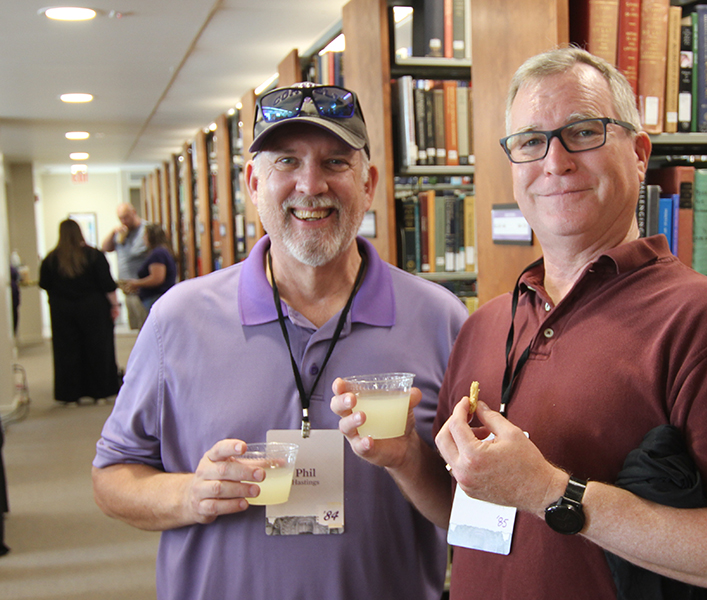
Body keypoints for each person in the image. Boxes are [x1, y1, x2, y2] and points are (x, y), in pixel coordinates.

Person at [332, 47, 707, 599]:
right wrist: (407, 459)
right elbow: (470, 515)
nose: (555, 162)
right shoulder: (485, 325)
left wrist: (553, 493)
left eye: (583, 132)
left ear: (640, 154)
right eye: (531, 141)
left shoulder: (706, 321)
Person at [91, 82, 469, 600]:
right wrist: (189, 495)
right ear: (252, 183)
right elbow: (112, 477)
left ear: (369, 183)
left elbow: (476, 511)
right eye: (286, 162)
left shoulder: (441, 319)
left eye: (336, 162)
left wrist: (408, 459)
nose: (310, 185)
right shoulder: (177, 319)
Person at [39, 219, 121, 405]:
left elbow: (44, 284)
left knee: (66, 351)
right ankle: (100, 392)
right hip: (94, 309)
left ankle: (70, 394)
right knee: (98, 348)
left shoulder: (51, 258)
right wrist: (115, 306)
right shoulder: (93, 255)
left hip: (62, 311)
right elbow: (107, 284)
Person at [101, 203, 149, 329]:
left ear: (134, 212)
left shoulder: (146, 230)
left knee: (145, 325)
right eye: (121, 218)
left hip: (141, 287)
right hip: (127, 288)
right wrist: (113, 233)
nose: (124, 221)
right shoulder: (121, 232)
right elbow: (105, 248)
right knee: (136, 326)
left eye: (126, 217)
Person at [119, 223, 176, 312]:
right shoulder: (162, 251)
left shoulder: (158, 253)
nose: (143, 238)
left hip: (155, 297)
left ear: (151, 237)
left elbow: (157, 278)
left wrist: (136, 284)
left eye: (145, 235)